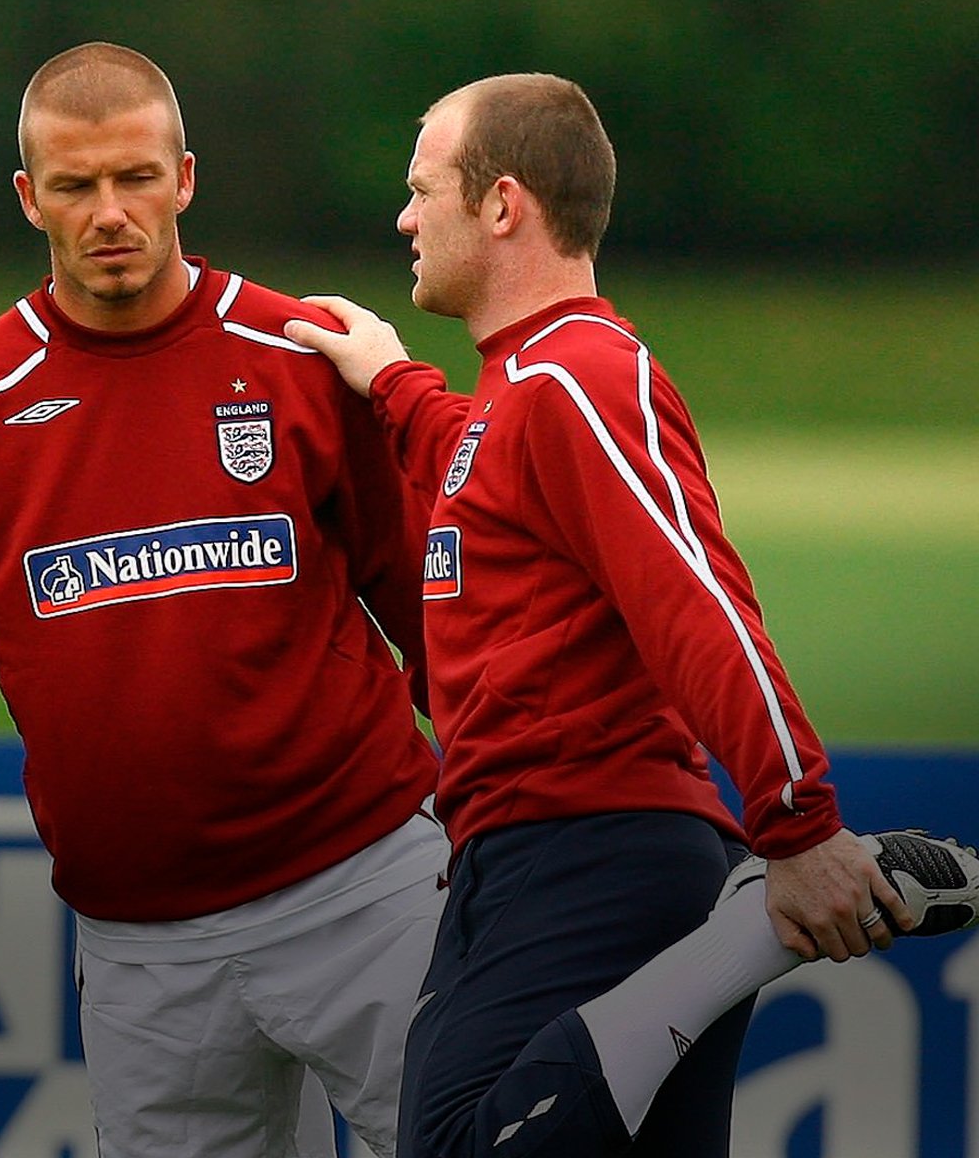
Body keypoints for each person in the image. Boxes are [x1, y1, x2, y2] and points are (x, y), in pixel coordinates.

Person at [282, 73, 979, 1157]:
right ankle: (729, 938)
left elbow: (696, 597)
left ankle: (742, 937)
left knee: (458, 1143)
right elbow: (481, 464)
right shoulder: (524, 388)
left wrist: (797, 827)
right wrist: (389, 382)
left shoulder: (578, 376)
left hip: (588, 855)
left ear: (502, 204)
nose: (405, 218)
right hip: (549, 855)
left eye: (425, 190)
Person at [0, 42, 451, 1158]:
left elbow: (429, 603)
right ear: (27, 197)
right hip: (144, 947)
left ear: (184, 178)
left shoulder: (300, 355)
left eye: (135, 178)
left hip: (370, 890)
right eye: (76, 184)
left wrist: (512, 813)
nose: (109, 212)